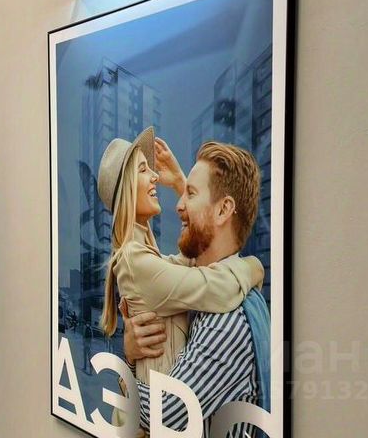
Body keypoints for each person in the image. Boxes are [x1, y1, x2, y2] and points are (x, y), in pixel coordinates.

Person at [96, 127, 264, 434]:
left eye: (191, 194)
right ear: (127, 191)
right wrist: (255, 266)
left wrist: (179, 183)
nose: (155, 177)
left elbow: (196, 263)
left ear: (224, 209)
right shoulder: (136, 261)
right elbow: (212, 276)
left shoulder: (224, 322)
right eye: (143, 170)